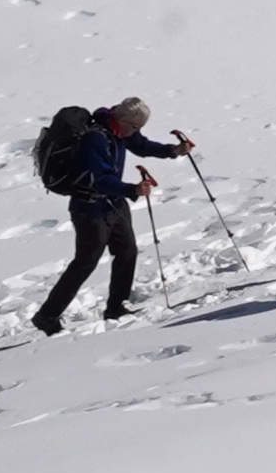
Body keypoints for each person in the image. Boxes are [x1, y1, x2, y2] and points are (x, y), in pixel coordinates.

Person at [36, 96, 193, 333]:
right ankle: (47, 315)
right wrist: (131, 189)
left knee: (127, 251)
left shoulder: (120, 131)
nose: (136, 132)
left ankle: (116, 307)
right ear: (121, 119)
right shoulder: (95, 139)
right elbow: (99, 179)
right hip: (89, 208)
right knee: (85, 262)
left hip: (114, 204)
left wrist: (172, 151)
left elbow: (141, 146)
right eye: (135, 127)